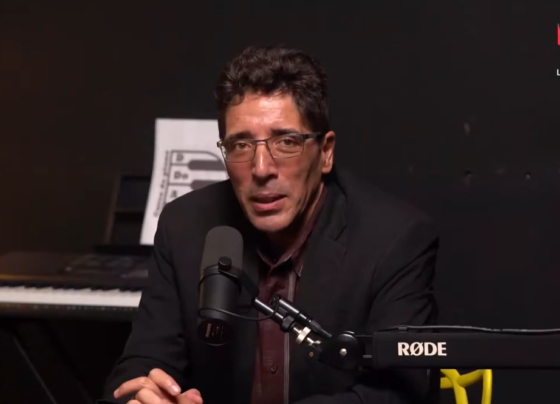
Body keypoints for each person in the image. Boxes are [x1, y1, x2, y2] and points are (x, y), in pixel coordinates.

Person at [98, 45, 440, 404]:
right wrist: (145, 395)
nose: (261, 169)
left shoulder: (394, 237)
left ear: (325, 152)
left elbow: (397, 393)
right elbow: (143, 363)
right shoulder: (184, 226)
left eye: (286, 142)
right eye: (241, 145)